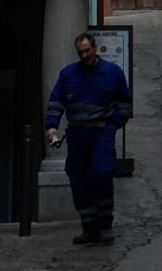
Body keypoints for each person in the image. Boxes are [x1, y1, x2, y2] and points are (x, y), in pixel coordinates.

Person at [45, 32, 132, 245]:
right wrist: (51, 126)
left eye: (87, 50)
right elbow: (56, 101)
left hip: (101, 133)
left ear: (95, 48)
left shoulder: (112, 73)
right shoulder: (68, 75)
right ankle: (89, 227)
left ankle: (105, 225)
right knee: (78, 179)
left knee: (101, 175)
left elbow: (124, 104)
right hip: (77, 134)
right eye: (80, 52)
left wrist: (113, 126)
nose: (84, 55)